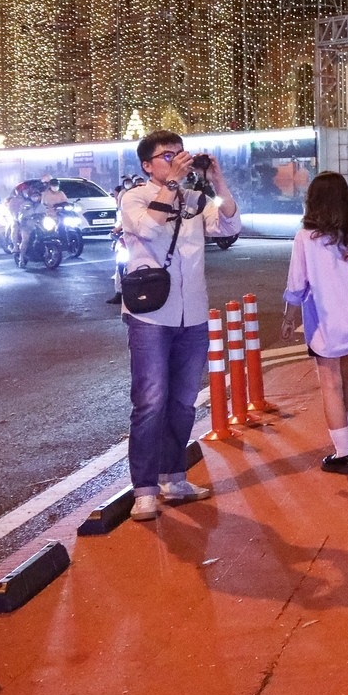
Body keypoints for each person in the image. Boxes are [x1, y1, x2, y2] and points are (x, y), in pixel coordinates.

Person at [118, 130, 242, 522]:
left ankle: (174, 478)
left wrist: (218, 181)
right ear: (147, 165)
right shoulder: (134, 198)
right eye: (167, 155)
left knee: (183, 402)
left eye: (180, 153)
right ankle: (144, 490)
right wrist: (171, 185)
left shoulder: (194, 200)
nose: (177, 160)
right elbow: (149, 229)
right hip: (151, 316)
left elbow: (229, 226)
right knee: (151, 402)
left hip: (194, 315)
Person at [282, 172, 348, 474]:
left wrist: (289, 317)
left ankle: (342, 453)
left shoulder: (306, 238)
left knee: (331, 383)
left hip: (326, 324)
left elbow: (297, 284)